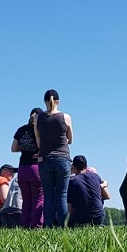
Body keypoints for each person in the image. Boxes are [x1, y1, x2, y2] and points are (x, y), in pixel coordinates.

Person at [34, 90, 73, 228]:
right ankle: (63, 227)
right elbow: (70, 140)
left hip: (44, 159)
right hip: (62, 159)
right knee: (61, 195)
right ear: (58, 101)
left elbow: (38, 142)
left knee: (48, 196)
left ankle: (48, 226)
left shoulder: (38, 118)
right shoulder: (65, 117)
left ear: (44, 101)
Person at [12, 107, 45, 228]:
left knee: (26, 199)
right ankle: (36, 226)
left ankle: (25, 224)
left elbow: (13, 148)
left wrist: (25, 147)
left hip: (22, 168)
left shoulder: (20, 130)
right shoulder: (41, 131)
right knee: (39, 198)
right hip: (36, 167)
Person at [67, 155, 106, 227]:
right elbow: (106, 196)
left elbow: (70, 209)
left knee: (59, 217)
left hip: (81, 219)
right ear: (86, 166)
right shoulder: (96, 176)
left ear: (74, 167)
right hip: (99, 217)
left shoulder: (72, 182)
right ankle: (99, 226)